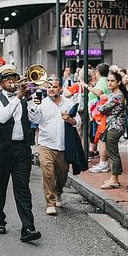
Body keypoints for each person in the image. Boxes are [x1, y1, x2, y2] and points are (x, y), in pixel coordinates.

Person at [0, 65, 42, 242]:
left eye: (14, 78)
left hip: (21, 149)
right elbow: (2, 117)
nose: (12, 82)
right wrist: (17, 98)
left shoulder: (24, 99)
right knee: (0, 186)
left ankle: (28, 227)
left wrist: (29, 98)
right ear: (0, 82)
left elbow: (36, 119)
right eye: (7, 79)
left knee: (23, 188)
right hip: (1, 149)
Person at [28, 77, 80, 215]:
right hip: (46, 144)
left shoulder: (69, 103)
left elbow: (78, 121)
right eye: (49, 87)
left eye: (55, 87)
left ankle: (58, 191)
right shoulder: (41, 103)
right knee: (48, 172)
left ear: (60, 88)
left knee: (62, 174)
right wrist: (33, 105)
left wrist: (70, 119)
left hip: (63, 145)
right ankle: (50, 202)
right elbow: (35, 120)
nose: (51, 89)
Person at [96, 71, 127, 189]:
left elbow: (102, 108)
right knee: (111, 152)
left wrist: (101, 102)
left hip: (115, 126)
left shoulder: (117, 95)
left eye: (112, 81)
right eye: (108, 80)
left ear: (118, 82)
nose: (109, 83)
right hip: (112, 126)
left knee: (112, 153)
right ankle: (113, 178)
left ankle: (114, 179)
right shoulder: (114, 94)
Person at [85, 63, 111, 173]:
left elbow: (99, 92)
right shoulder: (104, 81)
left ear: (98, 72)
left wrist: (87, 86)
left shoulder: (102, 81)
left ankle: (103, 162)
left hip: (99, 114)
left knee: (101, 138)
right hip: (98, 113)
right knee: (100, 138)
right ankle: (103, 162)